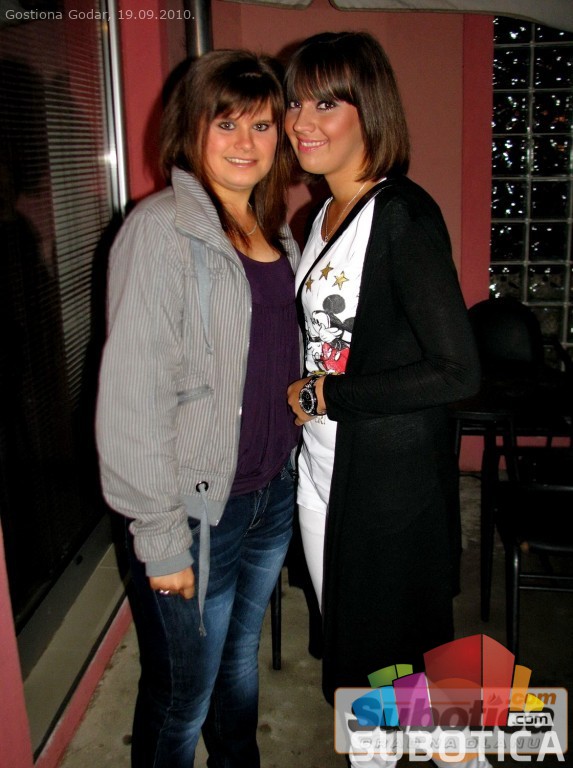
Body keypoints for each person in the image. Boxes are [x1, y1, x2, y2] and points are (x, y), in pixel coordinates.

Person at [284, 32, 489, 768]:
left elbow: (457, 371)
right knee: (355, 654)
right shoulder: (320, 217)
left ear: (368, 110)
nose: (301, 122)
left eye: (325, 104)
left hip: (385, 483)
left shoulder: (399, 214)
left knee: (385, 663)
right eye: (294, 103)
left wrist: (329, 393)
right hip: (322, 470)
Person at [95, 49, 300, 768]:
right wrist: (159, 537)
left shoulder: (274, 230)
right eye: (227, 123)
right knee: (182, 694)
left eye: (262, 125)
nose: (247, 142)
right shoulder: (160, 230)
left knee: (238, 664)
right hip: (195, 509)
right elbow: (133, 395)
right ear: (192, 129)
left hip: (269, 494)